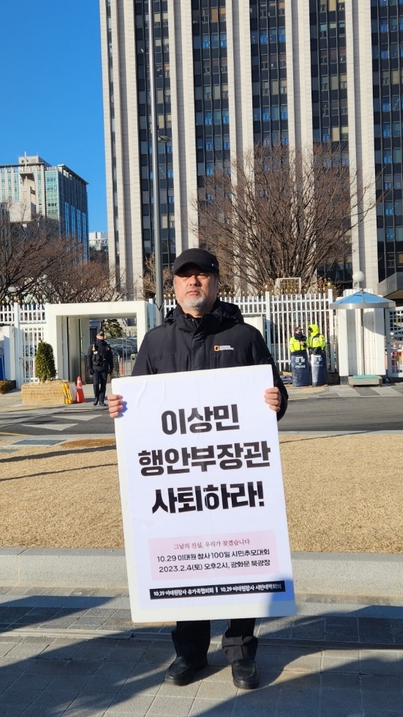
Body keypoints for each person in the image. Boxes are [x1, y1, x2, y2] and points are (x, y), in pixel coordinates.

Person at [107, 247, 287, 691]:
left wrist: (276, 402)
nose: (193, 283)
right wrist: (119, 408)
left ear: (216, 281)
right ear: (173, 285)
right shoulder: (155, 342)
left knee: (239, 563)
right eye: (184, 277)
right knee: (184, 565)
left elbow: (276, 397)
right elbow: (141, 410)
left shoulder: (244, 337)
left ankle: (241, 652)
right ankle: (190, 653)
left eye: (201, 276)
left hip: (230, 479)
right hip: (181, 483)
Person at [88, 331, 114, 407]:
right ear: (97, 336)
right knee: (96, 384)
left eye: (102, 335)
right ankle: (96, 397)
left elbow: (110, 358)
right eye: (100, 335)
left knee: (103, 384)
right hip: (95, 368)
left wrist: (111, 367)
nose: (102, 337)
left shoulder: (107, 346)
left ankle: (101, 400)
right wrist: (89, 368)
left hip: (104, 368)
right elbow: (89, 357)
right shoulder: (93, 346)